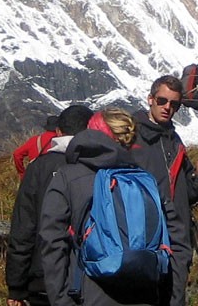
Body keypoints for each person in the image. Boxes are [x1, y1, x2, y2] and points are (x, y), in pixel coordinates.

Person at [40, 108, 188, 306]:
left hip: (88, 294)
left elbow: (52, 242)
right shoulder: (146, 180)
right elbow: (177, 241)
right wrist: (173, 299)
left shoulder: (67, 177)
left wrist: (61, 300)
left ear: (91, 134)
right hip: (146, 294)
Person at [8, 104, 94, 306]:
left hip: (43, 277)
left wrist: (16, 286)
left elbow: (23, 228)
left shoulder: (39, 167)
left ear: (57, 132)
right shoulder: (101, 165)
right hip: (93, 277)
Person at [132, 75, 198, 252]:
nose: (167, 107)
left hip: (177, 238)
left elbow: (187, 195)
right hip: (141, 236)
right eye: (162, 101)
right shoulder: (131, 138)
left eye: (174, 104)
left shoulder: (176, 143)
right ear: (150, 99)